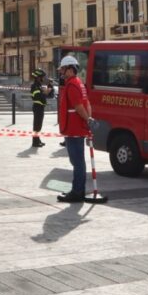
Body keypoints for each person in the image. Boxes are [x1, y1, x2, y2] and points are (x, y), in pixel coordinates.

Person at [56, 55, 93, 203]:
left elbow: (78, 106)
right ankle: (78, 190)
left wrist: (87, 119)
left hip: (74, 129)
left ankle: (77, 192)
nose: (61, 72)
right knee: (78, 162)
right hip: (77, 128)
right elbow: (87, 104)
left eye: (63, 69)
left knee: (77, 162)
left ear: (70, 70)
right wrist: (88, 119)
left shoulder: (72, 85)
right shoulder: (80, 84)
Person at [30, 69, 54, 148]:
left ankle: (37, 140)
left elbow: (48, 95)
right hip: (37, 107)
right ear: (38, 77)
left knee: (39, 125)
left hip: (40, 107)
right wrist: (46, 92)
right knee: (36, 125)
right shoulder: (34, 86)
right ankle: (35, 142)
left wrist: (50, 86)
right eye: (42, 77)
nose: (43, 79)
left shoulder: (39, 85)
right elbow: (38, 96)